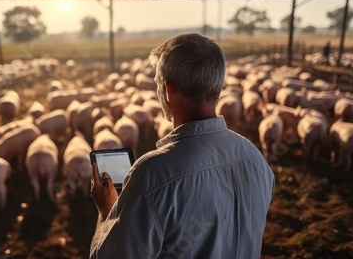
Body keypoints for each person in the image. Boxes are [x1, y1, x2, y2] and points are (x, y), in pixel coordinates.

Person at [90, 33, 275, 258]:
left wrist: (106, 212)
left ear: (169, 91)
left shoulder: (153, 175)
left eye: (158, 85)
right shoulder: (255, 159)